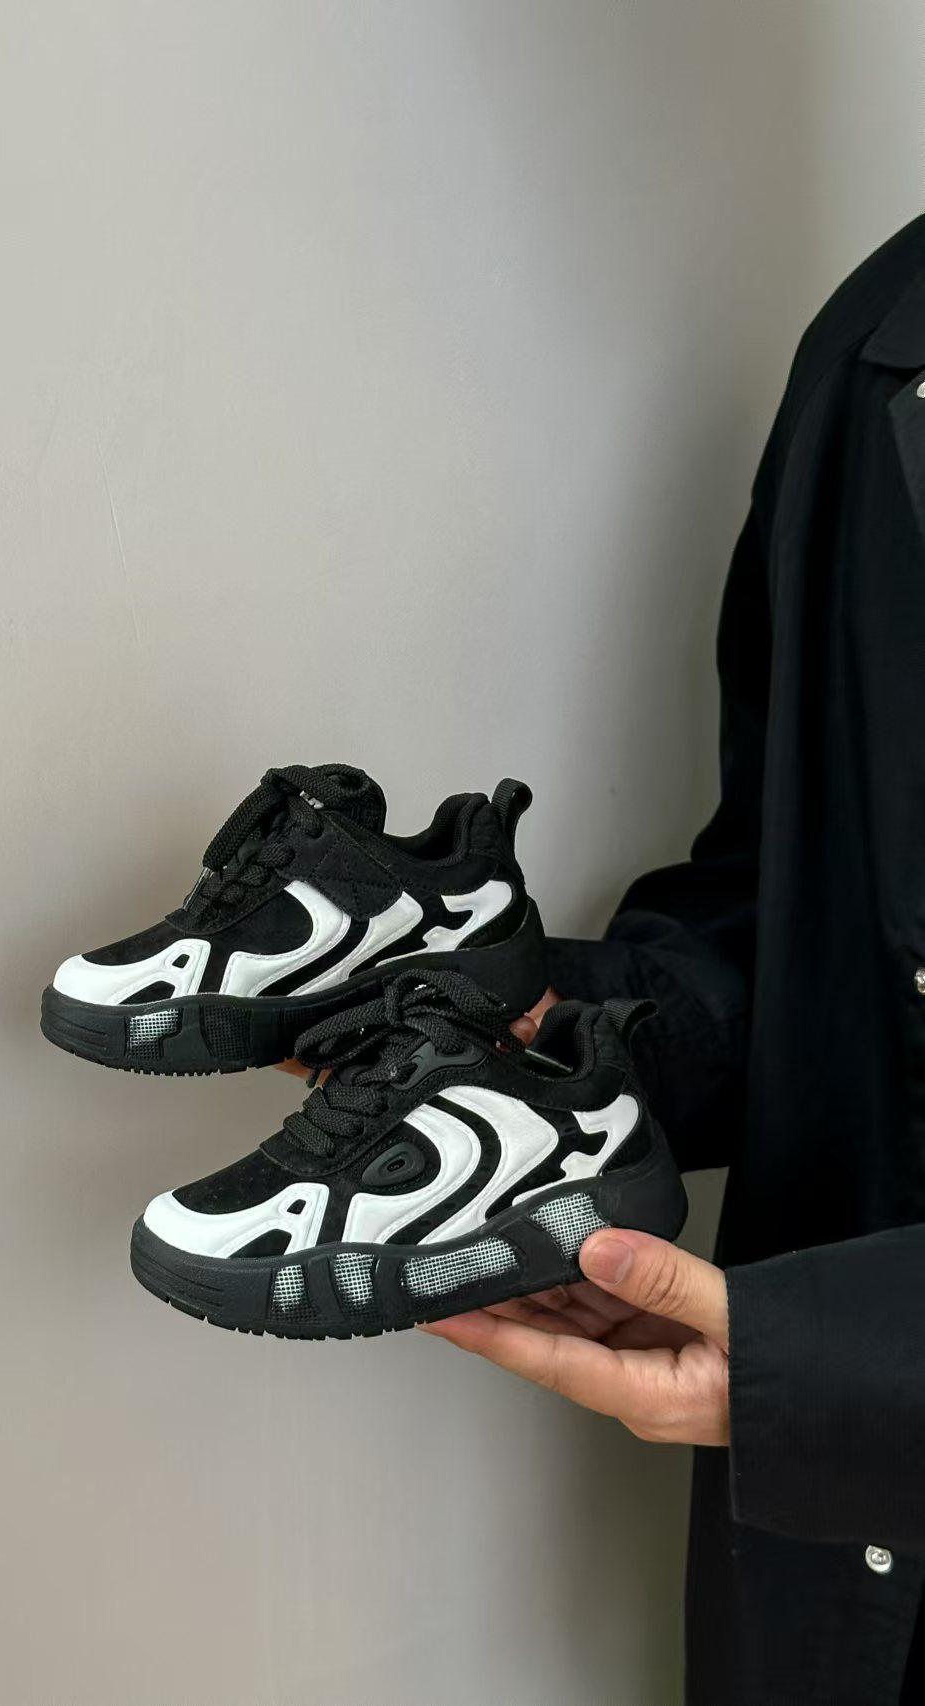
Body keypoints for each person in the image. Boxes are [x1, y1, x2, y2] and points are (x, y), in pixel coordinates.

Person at [421, 214, 925, 1705]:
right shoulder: (883, 335)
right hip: (842, 1591)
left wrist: (850, 1363)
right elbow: (800, 906)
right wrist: (558, 1042)